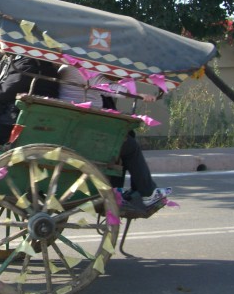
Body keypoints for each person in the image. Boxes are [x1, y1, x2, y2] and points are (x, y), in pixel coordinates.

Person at [58, 64, 171, 207]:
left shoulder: (65, 67)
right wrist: (139, 95)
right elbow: (109, 88)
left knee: (124, 140)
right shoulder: (83, 69)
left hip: (75, 123)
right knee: (129, 146)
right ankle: (147, 193)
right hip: (86, 126)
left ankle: (117, 190)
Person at [0, 26, 59, 148]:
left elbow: (5, 92)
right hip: (20, 114)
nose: (0, 43)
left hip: (28, 120)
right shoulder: (17, 61)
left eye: (2, 38)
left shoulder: (29, 61)